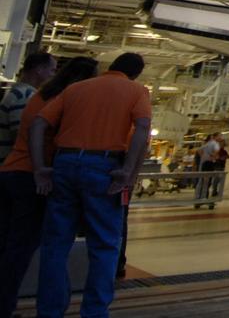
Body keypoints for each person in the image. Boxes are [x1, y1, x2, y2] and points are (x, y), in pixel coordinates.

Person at [30, 52, 151, 317]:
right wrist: (129, 172)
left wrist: (40, 168)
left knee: (55, 244)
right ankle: (94, 311)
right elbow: (142, 128)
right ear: (136, 73)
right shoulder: (137, 90)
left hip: (65, 163)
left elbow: (39, 123)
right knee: (105, 245)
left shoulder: (76, 88)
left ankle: (49, 310)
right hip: (104, 168)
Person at [0, 56, 97, 317]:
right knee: (20, 249)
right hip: (30, 178)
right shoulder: (58, 100)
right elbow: (41, 132)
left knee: (9, 246)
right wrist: (43, 169)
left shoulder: (40, 95)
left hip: (12, 171)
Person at [0, 52, 57, 162]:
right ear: (39, 70)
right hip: (11, 162)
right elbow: (20, 134)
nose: (53, 75)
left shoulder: (18, 92)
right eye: (52, 70)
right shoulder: (26, 95)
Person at [195, 132, 221, 202]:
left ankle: (198, 195)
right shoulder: (215, 144)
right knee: (208, 180)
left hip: (204, 163)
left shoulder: (207, 143)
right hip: (209, 163)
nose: (220, 138)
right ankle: (205, 196)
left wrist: (203, 156)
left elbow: (199, 150)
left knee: (202, 179)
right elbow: (216, 151)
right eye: (219, 136)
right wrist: (213, 157)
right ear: (215, 137)